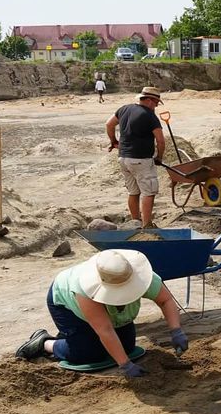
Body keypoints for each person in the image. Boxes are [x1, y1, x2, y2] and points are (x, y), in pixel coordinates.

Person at [15, 249, 187, 376]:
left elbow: (165, 300)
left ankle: (76, 337)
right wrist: (126, 365)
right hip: (66, 305)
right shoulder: (84, 291)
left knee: (126, 346)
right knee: (87, 353)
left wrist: (176, 330)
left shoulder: (140, 276)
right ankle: (45, 342)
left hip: (111, 316)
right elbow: (104, 329)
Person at [106, 86, 166, 229]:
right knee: (148, 192)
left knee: (133, 192)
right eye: (156, 103)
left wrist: (114, 141)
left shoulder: (124, 109)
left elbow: (109, 124)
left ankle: (135, 222)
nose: (156, 107)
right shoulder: (150, 116)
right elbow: (161, 141)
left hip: (123, 158)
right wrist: (159, 157)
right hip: (141, 159)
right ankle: (146, 225)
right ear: (151, 100)